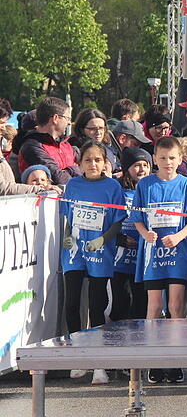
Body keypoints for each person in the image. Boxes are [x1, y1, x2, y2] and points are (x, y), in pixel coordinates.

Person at [130, 136, 187, 385]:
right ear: (154, 159)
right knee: (154, 306)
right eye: (162, 158)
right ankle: (154, 358)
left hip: (177, 254)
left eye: (172, 158)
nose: (167, 162)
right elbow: (137, 217)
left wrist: (179, 236)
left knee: (177, 306)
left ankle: (175, 358)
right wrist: (145, 233)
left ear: (180, 159)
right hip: (153, 256)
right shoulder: (145, 185)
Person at [60, 141, 127, 385]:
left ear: (105, 163)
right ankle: (78, 356)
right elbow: (70, 216)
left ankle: (99, 363)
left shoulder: (112, 187)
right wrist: (67, 237)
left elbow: (118, 221)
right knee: (72, 303)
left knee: (97, 305)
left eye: (97, 160)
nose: (92, 164)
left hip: (100, 251)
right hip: (75, 251)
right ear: (80, 164)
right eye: (87, 160)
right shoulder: (73, 185)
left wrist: (103, 239)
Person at [113, 148, 152, 323]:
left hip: (144, 257)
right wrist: (119, 239)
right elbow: (107, 221)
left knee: (141, 303)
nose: (142, 169)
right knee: (121, 302)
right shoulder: (118, 191)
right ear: (126, 168)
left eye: (146, 165)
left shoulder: (151, 189)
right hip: (120, 258)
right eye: (137, 165)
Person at [18, 97, 80, 185]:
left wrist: (70, 171)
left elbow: (86, 171)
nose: (69, 123)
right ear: (55, 118)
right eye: (68, 118)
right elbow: (60, 179)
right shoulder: (32, 147)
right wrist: (73, 169)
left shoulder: (66, 145)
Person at [70, 108, 120, 174]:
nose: (98, 132)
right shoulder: (74, 150)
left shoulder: (109, 146)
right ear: (81, 129)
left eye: (101, 128)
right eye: (93, 129)